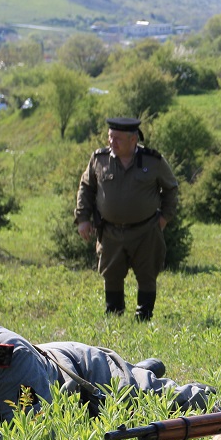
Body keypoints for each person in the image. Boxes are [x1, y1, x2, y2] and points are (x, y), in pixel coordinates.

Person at [0, 278, 214, 423]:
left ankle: (138, 375)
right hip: (40, 365)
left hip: (81, 374)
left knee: (164, 400)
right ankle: (138, 369)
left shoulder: (6, 359)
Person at [75, 117, 179, 321]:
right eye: (110, 137)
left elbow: (171, 188)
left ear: (133, 140)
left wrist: (165, 218)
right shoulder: (100, 159)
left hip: (146, 231)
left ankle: (144, 315)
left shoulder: (153, 161)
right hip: (110, 231)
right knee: (111, 273)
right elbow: (86, 187)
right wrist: (83, 218)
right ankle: (114, 313)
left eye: (118, 139)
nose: (112, 143)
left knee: (147, 274)